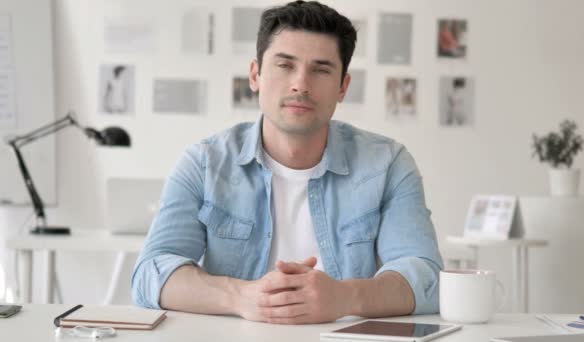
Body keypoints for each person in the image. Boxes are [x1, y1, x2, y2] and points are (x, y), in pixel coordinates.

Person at [131, 0, 443, 324]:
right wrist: (242, 297)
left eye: (321, 70)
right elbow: (151, 273)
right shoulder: (204, 163)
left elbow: (426, 276)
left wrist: (344, 297)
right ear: (255, 75)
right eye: (285, 65)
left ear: (342, 87)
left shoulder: (389, 164)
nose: (301, 84)